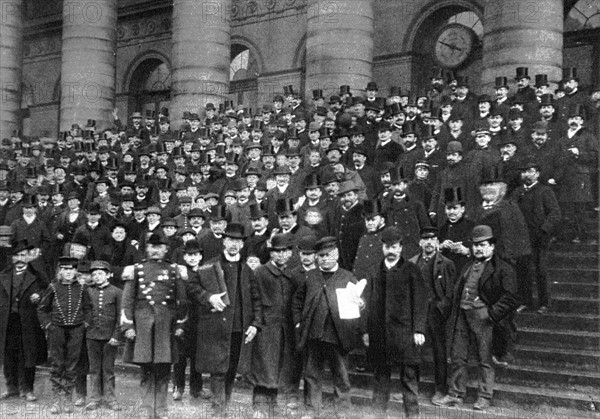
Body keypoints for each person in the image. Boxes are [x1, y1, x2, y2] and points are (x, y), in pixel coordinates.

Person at [435, 225, 519, 411]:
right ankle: (455, 394)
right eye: (476, 245)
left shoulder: (503, 269)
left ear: (492, 246)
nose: (479, 248)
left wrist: (491, 313)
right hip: (462, 315)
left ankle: (484, 396)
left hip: (484, 319)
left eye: (483, 245)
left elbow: (511, 297)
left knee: (485, 359)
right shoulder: (469, 265)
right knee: (458, 356)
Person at [187, 223, 261, 418]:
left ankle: (224, 406)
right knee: (217, 370)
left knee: (231, 369)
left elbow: (256, 299)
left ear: (243, 244)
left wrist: (255, 324)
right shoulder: (209, 265)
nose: (234, 244)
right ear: (224, 242)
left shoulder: (247, 270)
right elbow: (192, 287)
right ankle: (218, 410)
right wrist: (208, 297)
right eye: (230, 240)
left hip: (238, 327)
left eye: (238, 241)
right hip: (215, 325)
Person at [292, 236, 363, 419]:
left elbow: (358, 305)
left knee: (341, 376)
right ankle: (311, 411)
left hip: (337, 335)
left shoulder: (348, 277)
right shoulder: (311, 276)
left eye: (328, 255)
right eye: (321, 256)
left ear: (336, 254)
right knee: (311, 375)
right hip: (313, 334)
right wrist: (298, 321)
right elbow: (297, 301)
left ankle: (343, 412)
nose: (324, 259)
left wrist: (360, 304)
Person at [120, 233, 188, 419]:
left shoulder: (175, 270)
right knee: (146, 371)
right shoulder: (136, 269)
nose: (156, 250)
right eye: (152, 246)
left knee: (164, 371)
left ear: (167, 249)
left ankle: (161, 411)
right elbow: (127, 301)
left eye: (160, 246)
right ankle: (147, 410)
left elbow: (181, 301)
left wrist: (181, 324)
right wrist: (128, 326)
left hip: (166, 327)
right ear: (147, 248)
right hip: (143, 327)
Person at [362, 227, 428, 418]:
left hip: (405, 334)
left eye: (394, 247)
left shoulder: (411, 270)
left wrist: (419, 330)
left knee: (408, 379)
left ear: (401, 248)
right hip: (380, 334)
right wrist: (366, 331)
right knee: (380, 380)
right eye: (387, 247)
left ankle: (412, 416)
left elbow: (421, 301)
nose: (391, 251)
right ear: (382, 247)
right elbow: (368, 301)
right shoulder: (375, 271)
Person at [248, 233, 301, 418]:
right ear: (271, 253)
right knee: (264, 367)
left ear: (289, 253)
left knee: (280, 367)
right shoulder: (260, 272)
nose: (281, 255)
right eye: (277, 251)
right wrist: (257, 323)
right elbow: (255, 300)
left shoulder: (292, 275)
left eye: (285, 251)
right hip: (266, 328)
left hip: (285, 329)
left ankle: (273, 404)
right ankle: (259, 407)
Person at [37, 256, 93, 415]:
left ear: (76, 271)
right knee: (57, 363)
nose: (68, 272)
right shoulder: (53, 287)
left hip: (76, 331)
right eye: (65, 269)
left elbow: (88, 309)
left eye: (71, 269)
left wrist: (85, 325)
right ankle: (56, 401)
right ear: (60, 270)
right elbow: (42, 309)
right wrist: (48, 325)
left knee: (72, 364)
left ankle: (68, 398)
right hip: (57, 331)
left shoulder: (82, 288)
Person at [409, 227, 456, 404]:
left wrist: (441, 309)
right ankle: (412, 385)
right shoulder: (412, 263)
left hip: (436, 313)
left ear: (437, 242)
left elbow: (450, 293)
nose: (429, 242)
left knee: (439, 351)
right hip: (416, 312)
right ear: (420, 242)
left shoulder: (446, 264)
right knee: (413, 349)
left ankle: (440, 389)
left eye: (433, 239)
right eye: (425, 239)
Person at [0, 239, 48, 402]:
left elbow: (47, 292)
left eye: (24, 255)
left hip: (28, 322)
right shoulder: (4, 275)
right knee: (8, 355)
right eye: (17, 255)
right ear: (12, 258)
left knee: (28, 356)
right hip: (7, 322)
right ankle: (12, 387)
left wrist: (39, 297)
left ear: (28, 257)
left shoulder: (36, 276)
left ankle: (28, 389)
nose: (20, 258)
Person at [512, 159, 561, 313]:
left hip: (539, 237)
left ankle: (544, 303)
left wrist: (544, 229)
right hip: (521, 238)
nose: (527, 174)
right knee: (523, 270)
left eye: (530, 171)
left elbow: (555, 213)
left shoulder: (545, 191)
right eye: (524, 171)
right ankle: (525, 301)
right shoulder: (517, 192)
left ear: (537, 174)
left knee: (540, 270)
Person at [85, 260, 122, 411]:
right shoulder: (87, 291)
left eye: (100, 274)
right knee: (94, 369)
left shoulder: (117, 292)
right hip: (92, 336)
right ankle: (95, 398)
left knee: (108, 369)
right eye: (94, 274)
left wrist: (116, 335)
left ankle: (110, 399)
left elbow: (121, 316)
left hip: (109, 337)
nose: (97, 277)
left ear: (108, 275)